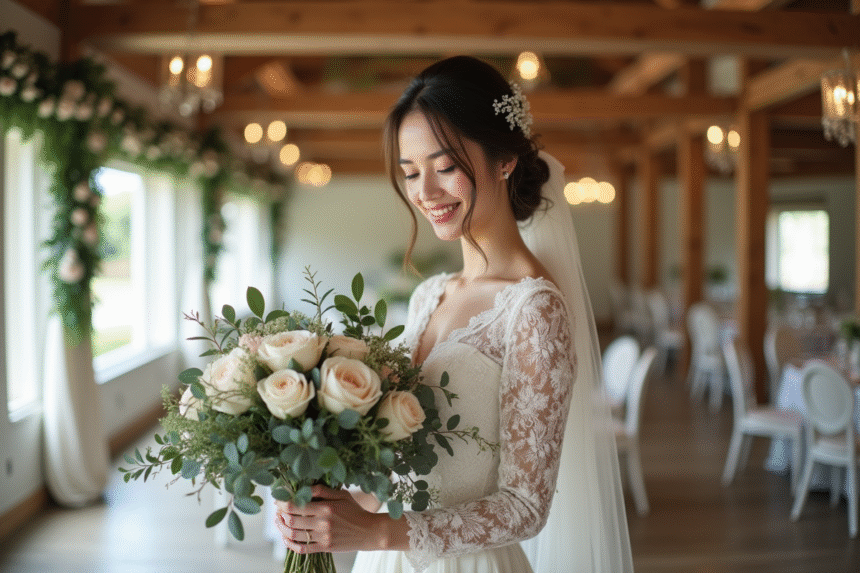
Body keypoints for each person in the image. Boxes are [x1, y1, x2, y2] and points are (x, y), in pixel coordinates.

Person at [274, 55, 633, 573]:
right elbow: (407, 478)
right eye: (411, 172)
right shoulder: (430, 295)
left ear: (505, 157)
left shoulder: (533, 310)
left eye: (445, 168)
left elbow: (525, 507)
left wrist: (377, 533)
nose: (425, 192)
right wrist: (335, 507)